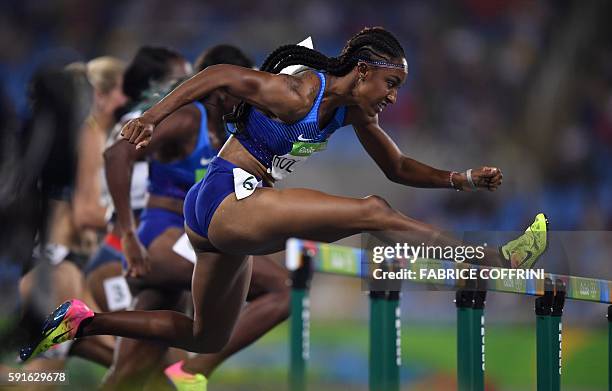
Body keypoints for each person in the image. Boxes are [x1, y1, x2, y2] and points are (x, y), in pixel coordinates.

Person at [20, 27, 548, 362]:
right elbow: (220, 74)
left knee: (206, 338)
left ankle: (81, 321)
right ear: (361, 70)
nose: (391, 97)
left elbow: (399, 165)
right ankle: (489, 258)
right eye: (389, 83)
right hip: (225, 198)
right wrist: (151, 119)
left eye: (398, 89)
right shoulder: (299, 92)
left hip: (226, 217)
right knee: (372, 212)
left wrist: (462, 178)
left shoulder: (353, 111)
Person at [101, 44, 289, 390]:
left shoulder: (232, 135)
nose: (251, 98)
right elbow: (117, 155)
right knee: (282, 289)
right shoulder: (190, 119)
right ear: (221, 89)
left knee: (131, 371)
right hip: (163, 239)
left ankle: (178, 371)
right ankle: (193, 370)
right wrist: (127, 233)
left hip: (194, 243)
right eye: (244, 89)